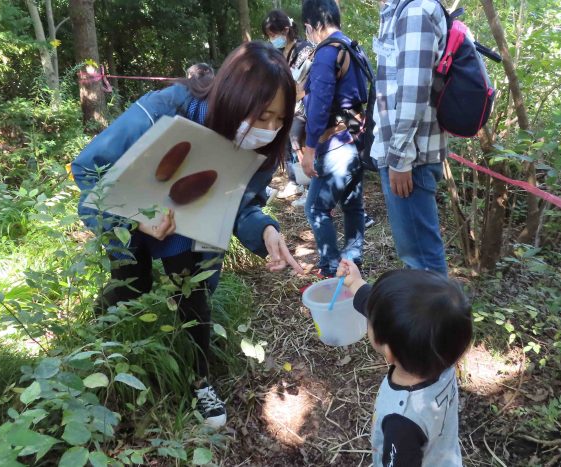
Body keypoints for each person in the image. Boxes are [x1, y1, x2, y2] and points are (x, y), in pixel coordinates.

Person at [71, 41, 304, 428]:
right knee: (130, 284)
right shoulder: (167, 108)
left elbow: (241, 205)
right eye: (261, 115)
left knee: (192, 296)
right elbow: (89, 169)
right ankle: (101, 358)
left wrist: (265, 231)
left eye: (278, 120)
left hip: (190, 230)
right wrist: (133, 218)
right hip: (130, 220)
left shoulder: (259, 150)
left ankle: (199, 380)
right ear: (233, 97)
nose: (268, 130)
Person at [337, 258, 472, 466]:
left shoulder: (402, 422)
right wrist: (355, 283)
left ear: (389, 351)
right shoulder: (441, 353)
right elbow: (387, 316)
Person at [370, 0, 449, 274]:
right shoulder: (400, 11)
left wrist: (400, 158)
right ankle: (432, 315)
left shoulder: (416, 10)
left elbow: (414, 89)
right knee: (417, 259)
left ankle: (439, 318)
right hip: (404, 155)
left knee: (422, 263)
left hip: (410, 160)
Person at [300, 0, 368, 277]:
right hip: (358, 139)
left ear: (313, 26)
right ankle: (353, 264)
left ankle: (331, 268)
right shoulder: (353, 48)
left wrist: (309, 148)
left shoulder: (327, 54)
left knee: (315, 208)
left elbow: (318, 106)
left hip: (335, 143)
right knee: (353, 205)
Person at [261, 9, 314, 203]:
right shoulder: (277, 52)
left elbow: (306, 79)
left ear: (286, 29)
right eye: (269, 36)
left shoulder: (305, 49)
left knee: (300, 143)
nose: (272, 39)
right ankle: (295, 181)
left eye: (274, 34)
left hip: (303, 104)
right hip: (284, 105)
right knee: (287, 144)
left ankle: (309, 187)